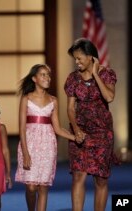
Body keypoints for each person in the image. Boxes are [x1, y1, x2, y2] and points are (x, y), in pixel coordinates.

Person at [64, 38, 119, 211]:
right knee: (78, 175)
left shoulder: (106, 74)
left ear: (91, 57)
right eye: (75, 58)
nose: (77, 62)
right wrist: (76, 129)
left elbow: (109, 97)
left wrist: (95, 74)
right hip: (80, 132)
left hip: (102, 133)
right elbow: (71, 109)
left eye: (79, 58)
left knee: (100, 178)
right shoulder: (73, 78)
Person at [15, 64, 78, 211]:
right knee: (31, 187)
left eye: (48, 75)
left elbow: (57, 128)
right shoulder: (26, 99)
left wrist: (74, 137)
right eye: (43, 75)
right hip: (29, 144)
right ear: (34, 79)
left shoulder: (53, 100)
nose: (47, 78)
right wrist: (25, 152)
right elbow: (22, 128)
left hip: (48, 145)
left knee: (43, 187)